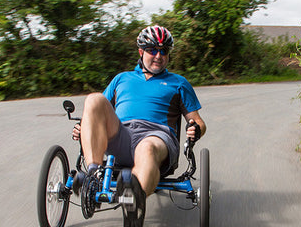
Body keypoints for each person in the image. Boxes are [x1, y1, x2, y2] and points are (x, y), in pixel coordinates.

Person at [71, 25, 204, 201]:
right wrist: (83, 127)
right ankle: (93, 175)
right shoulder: (121, 78)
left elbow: (198, 121)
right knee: (94, 99)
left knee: (146, 148)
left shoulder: (179, 83)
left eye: (163, 51)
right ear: (141, 52)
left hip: (156, 136)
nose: (158, 56)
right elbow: (97, 112)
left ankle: (134, 198)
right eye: (152, 50)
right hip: (121, 135)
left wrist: (196, 130)